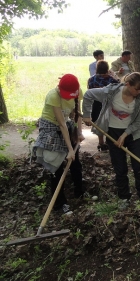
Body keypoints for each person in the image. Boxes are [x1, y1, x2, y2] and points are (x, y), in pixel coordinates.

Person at [82, 72, 140, 208]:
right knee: (120, 166)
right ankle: (124, 197)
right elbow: (88, 94)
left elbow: (138, 121)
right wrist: (86, 115)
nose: (138, 92)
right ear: (127, 84)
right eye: (136, 89)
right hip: (112, 132)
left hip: (133, 133)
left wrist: (125, 135)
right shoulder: (111, 92)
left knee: (138, 164)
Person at [33, 74, 85, 215]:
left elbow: (77, 113)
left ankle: (79, 193)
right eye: (66, 95)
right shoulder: (53, 96)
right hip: (51, 127)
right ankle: (59, 204)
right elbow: (61, 124)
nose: (68, 97)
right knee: (56, 166)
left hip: (67, 124)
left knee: (75, 163)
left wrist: (79, 132)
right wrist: (69, 149)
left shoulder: (78, 91)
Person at [88, 60, 119, 151]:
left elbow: (90, 91)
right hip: (109, 104)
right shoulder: (111, 79)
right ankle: (108, 142)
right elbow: (119, 87)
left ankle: (101, 142)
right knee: (109, 123)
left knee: (99, 123)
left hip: (96, 104)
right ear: (107, 68)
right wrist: (114, 75)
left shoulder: (91, 79)